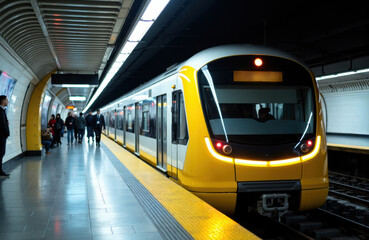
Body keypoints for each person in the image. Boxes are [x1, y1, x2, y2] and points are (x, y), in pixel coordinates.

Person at [0, 95, 10, 177]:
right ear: (3, 101)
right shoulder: (0, 111)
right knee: (1, 153)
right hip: (1, 136)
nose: (8, 101)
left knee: (1, 153)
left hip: (2, 135)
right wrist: (7, 133)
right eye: (6, 100)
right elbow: (2, 124)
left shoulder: (2, 110)